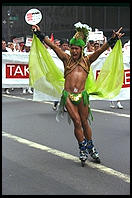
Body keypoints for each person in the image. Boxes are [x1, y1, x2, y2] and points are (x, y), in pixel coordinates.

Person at [31, 24, 124, 164]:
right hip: (68, 96)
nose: (73, 51)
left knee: (85, 122)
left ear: (81, 49)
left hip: (82, 96)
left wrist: (113, 40)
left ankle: (91, 147)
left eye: (76, 48)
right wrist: (39, 33)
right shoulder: (65, 59)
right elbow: (53, 46)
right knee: (77, 121)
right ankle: (82, 148)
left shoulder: (88, 61)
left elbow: (101, 51)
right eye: (72, 48)